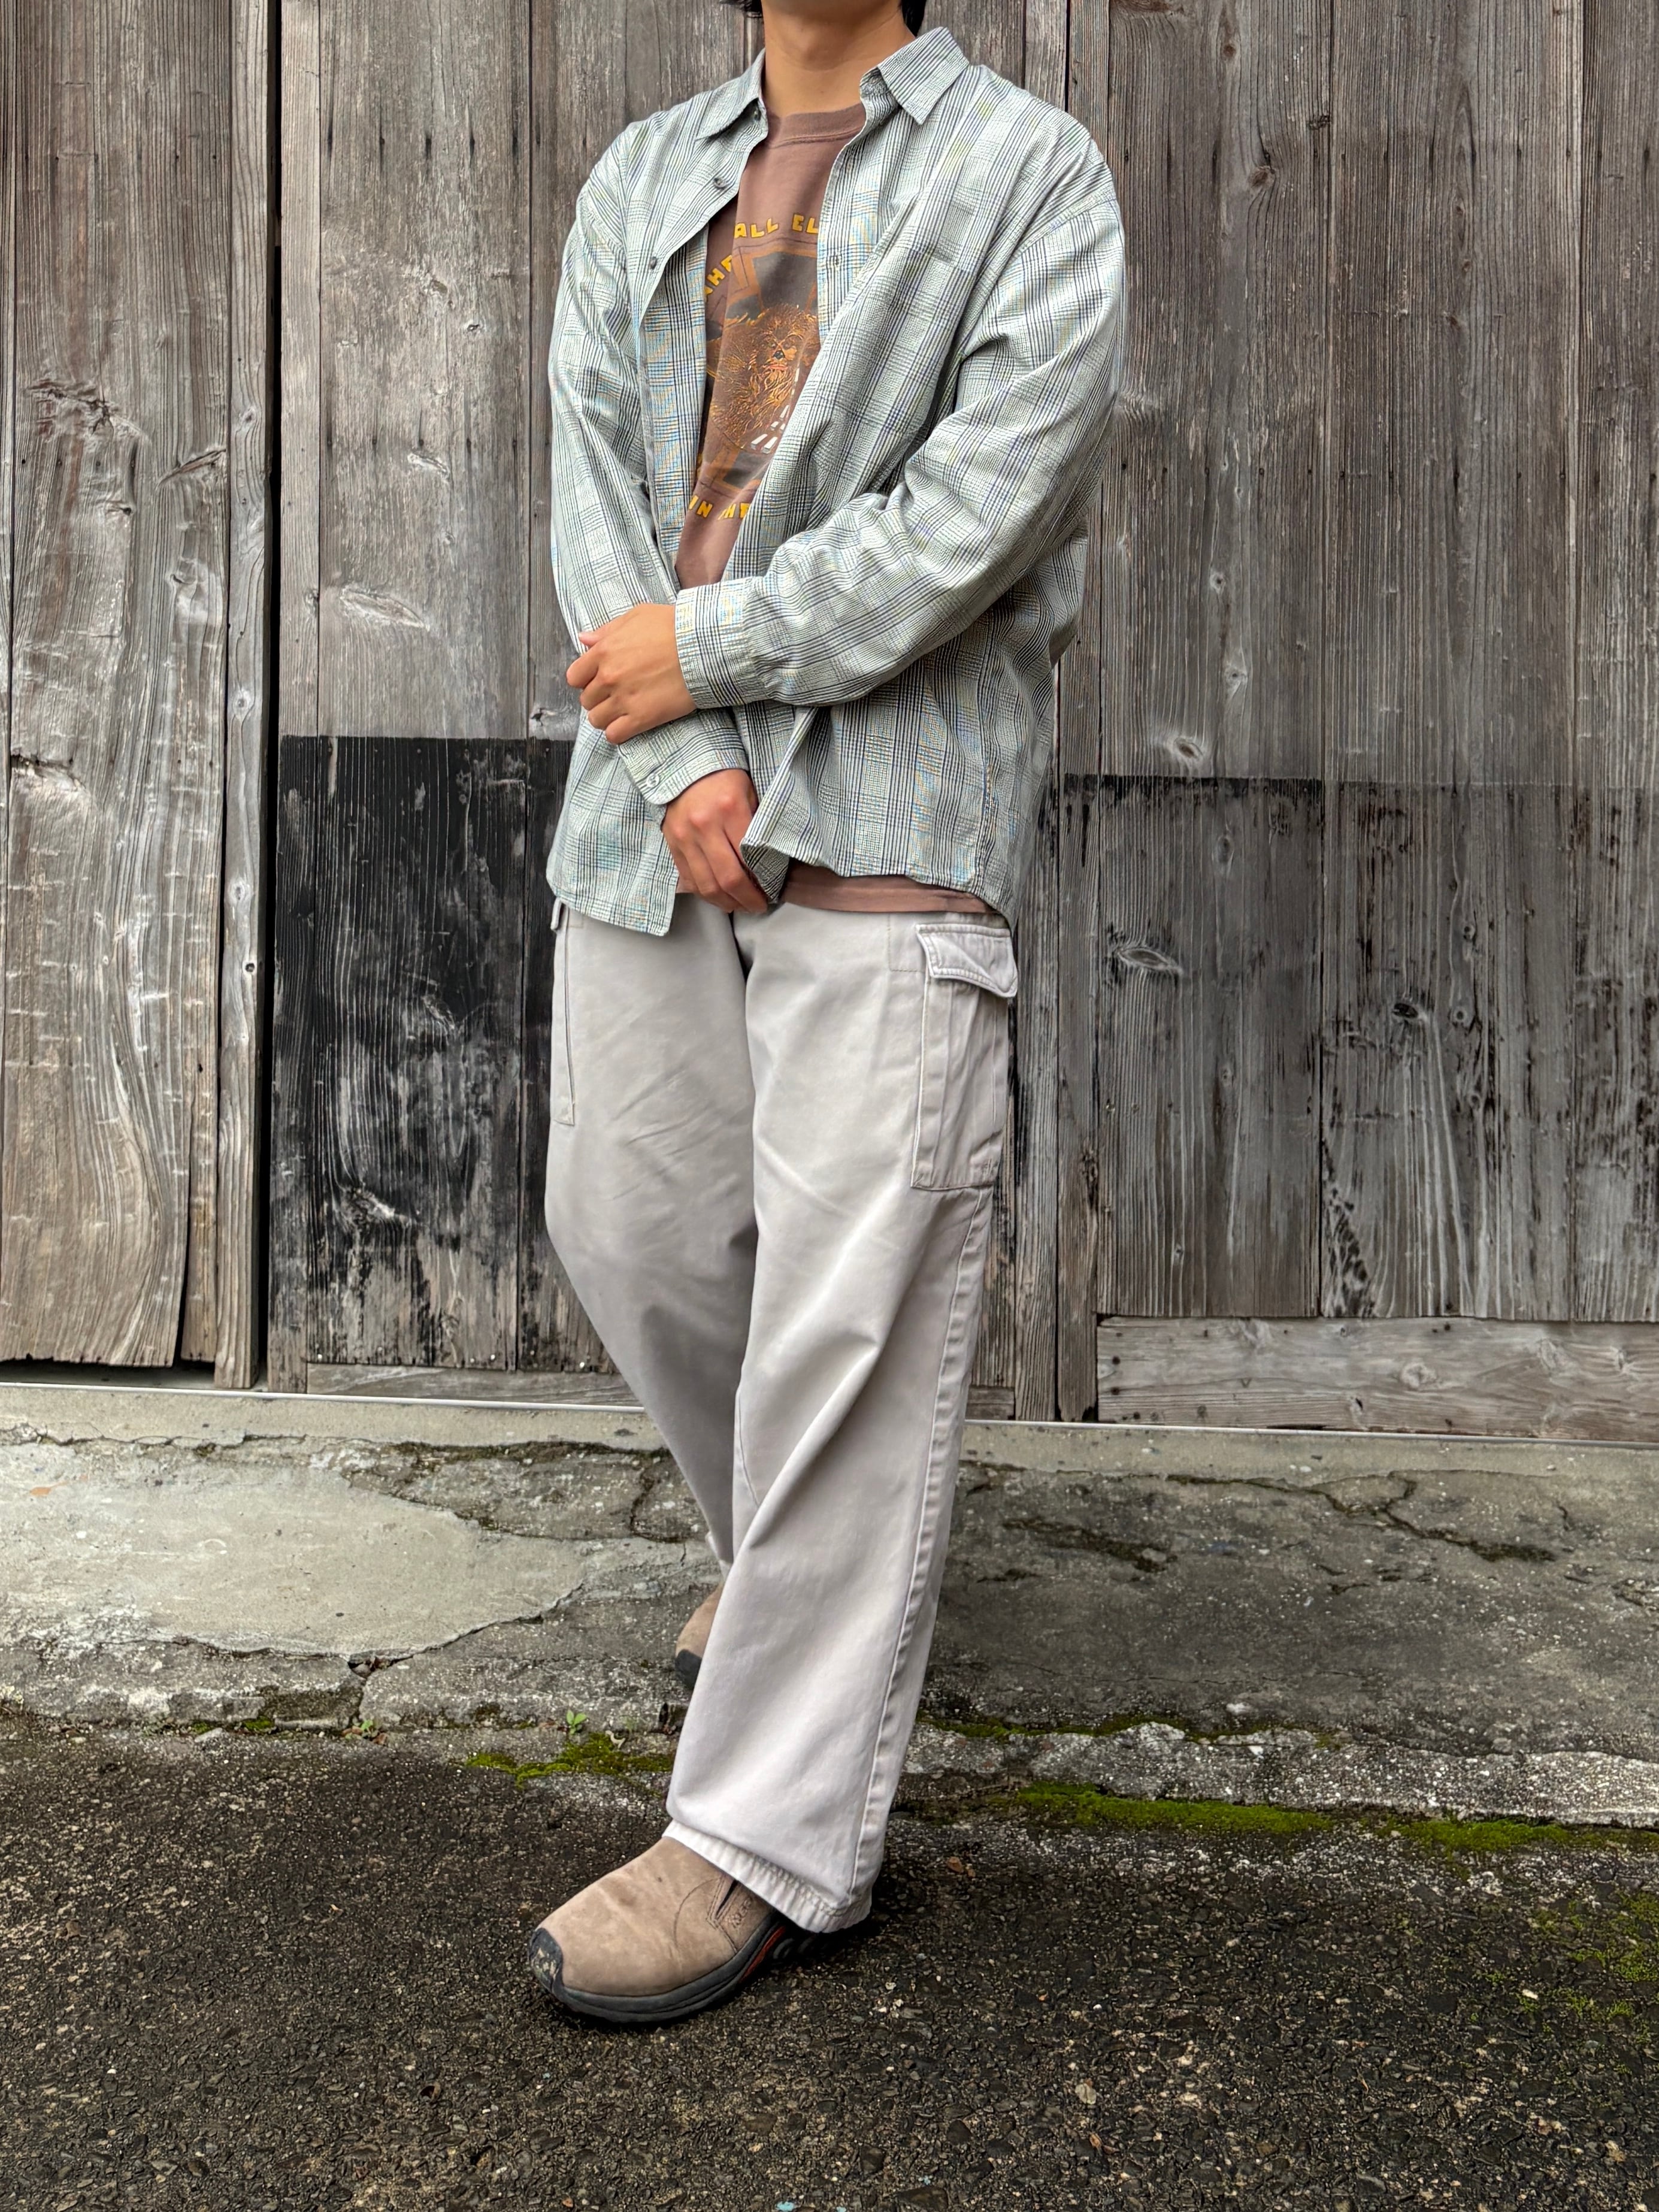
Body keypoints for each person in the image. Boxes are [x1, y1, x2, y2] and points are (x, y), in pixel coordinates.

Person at [528, 0, 1124, 2026]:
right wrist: (677, 751)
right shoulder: (644, 174)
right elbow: (590, 491)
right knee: (633, 1229)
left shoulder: (1029, 175)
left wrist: (705, 652)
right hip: (649, 819)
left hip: (887, 815)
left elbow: (975, 520)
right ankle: (796, 1590)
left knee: (850, 1324)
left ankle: (762, 1844)